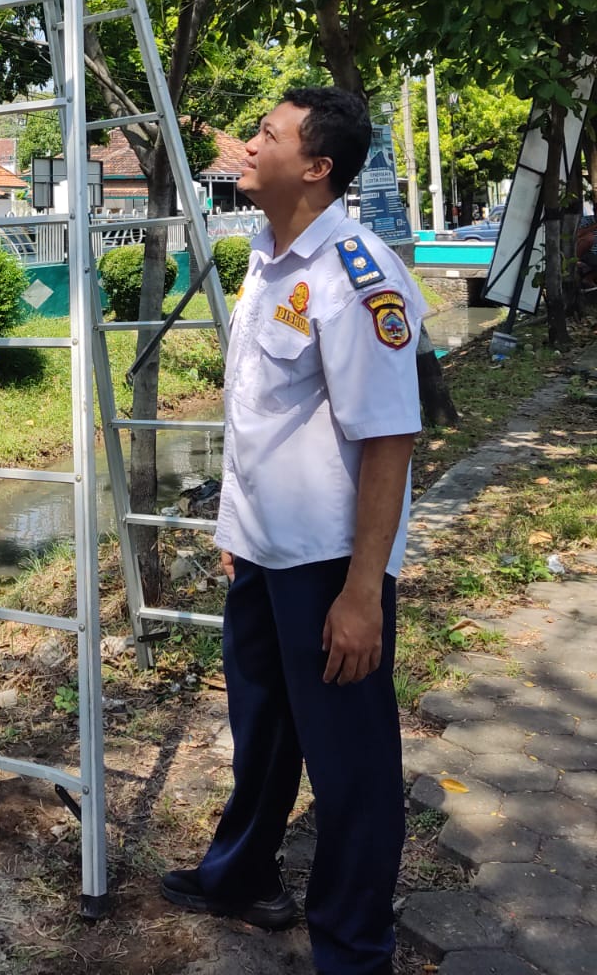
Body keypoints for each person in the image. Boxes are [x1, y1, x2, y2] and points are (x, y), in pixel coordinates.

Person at [161, 87, 423, 975]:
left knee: (350, 768)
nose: (247, 145)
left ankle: (353, 948)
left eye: (266, 135)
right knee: (262, 727)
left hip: (328, 565)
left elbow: (389, 441)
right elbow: (265, 418)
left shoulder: (357, 277)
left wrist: (361, 594)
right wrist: (237, 527)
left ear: (316, 167)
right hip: (264, 551)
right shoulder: (270, 261)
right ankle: (240, 876)